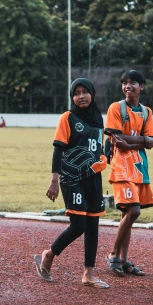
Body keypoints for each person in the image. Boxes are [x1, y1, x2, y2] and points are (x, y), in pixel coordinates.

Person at [34, 78, 109, 288]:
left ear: (92, 94)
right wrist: (54, 181)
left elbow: (97, 147)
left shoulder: (98, 119)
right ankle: (49, 254)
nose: (81, 96)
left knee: (93, 224)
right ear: (72, 97)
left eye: (85, 91)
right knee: (78, 225)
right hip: (71, 178)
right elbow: (58, 149)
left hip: (93, 178)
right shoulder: (68, 117)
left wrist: (103, 158)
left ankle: (88, 274)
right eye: (77, 93)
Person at [104, 69, 153, 277]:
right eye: (125, 83)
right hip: (121, 167)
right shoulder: (116, 108)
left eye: (133, 82)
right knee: (134, 211)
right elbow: (116, 140)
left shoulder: (147, 112)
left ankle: (123, 260)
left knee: (128, 213)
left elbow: (151, 142)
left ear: (141, 87)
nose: (128, 86)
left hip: (139, 168)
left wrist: (134, 141)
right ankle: (113, 255)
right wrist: (142, 140)